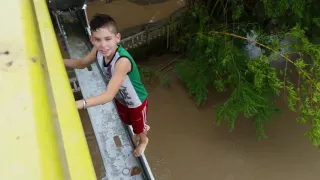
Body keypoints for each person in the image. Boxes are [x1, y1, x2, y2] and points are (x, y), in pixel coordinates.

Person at [63, 13, 150, 157]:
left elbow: (108, 95)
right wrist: (58, 61)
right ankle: (142, 127)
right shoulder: (98, 50)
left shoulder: (122, 61)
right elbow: (82, 63)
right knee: (126, 121)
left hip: (136, 102)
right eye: (97, 40)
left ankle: (144, 140)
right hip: (120, 98)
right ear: (92, 39)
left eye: (108, 39)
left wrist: (77, 104)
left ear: (117, 38)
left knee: (138, 129)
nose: (103, 45)